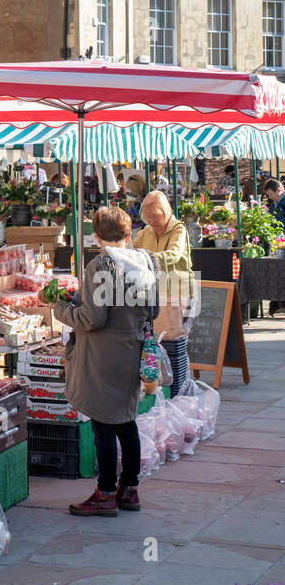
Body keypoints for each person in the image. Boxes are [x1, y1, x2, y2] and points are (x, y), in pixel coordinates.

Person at [52, 206, 159, 517]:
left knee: (103, 425)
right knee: (126, 422)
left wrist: (59, 308)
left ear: (96, 236)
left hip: (102, 356)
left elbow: (92, 318)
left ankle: (105, 493)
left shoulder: (100, 265)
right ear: (129, 234)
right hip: (132, 350)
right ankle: (130, 489)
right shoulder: (147, 261)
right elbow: (152, 310)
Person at [133, 191, 194, 395]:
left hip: (177, 290)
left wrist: (145, 259)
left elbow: (174, 255)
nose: (152, 222)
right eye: (148, 218)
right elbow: (132, 249)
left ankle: (178, 390)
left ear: (166, 212)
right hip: (154, 294)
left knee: (174, 341)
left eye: (155, 217)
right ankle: (163, 389)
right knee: (156, 342)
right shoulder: (145, 232)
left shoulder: (179, 229)